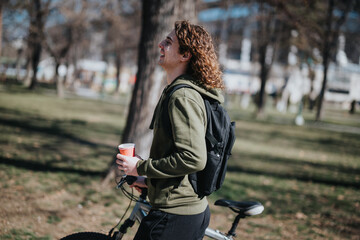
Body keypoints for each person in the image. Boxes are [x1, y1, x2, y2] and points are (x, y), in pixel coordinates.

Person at [116, 20, 224, 240]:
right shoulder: (180, 91)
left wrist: (142, 167)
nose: (159, 45)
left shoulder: (182, 96)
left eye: (168, 42)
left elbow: (193, 158)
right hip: (182, 209)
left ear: (185, 55)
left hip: (174, 216)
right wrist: (150, 180)